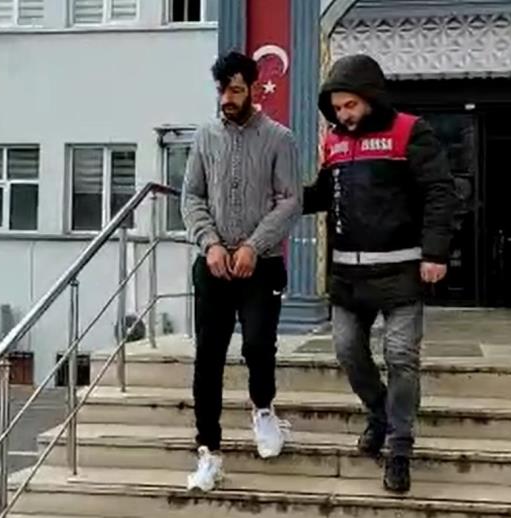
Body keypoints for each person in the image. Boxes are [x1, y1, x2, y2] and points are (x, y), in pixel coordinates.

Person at [303, 54, 456, 493]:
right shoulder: (334, 141)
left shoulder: (410, 131)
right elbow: (324, 195)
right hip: (347, 278)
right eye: (337, 108)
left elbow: (440, 192)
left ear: (371, 98)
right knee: (348, 351)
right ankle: (379, 412)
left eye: (350, 105)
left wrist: (435, 252)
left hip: (401, 272)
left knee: (401, 357)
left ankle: (400, 448)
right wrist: (282, 198)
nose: (343, 115)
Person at [181, 51, 302, 492]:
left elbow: (291, 200)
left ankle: (263, 409)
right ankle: (209, 451)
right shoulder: (204, 137)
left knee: (258, 345)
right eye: (221, 90)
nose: (226, 99)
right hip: (212, 264)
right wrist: (210, 243)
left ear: (252, 88)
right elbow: (191, 196)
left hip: (261, 266)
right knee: (208, 358)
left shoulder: (279, 138)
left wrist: (254, 245)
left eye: (235, 90)